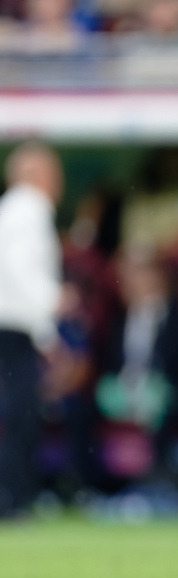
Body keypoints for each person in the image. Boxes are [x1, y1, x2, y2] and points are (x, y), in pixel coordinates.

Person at [0, 141, 64, 518]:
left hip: (9, 326)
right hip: (14, 327)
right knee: (23, 415)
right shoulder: (32, 208)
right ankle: (16, 498)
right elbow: (22, 269)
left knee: (14, 414)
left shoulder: (8, 208)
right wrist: (52, 306)